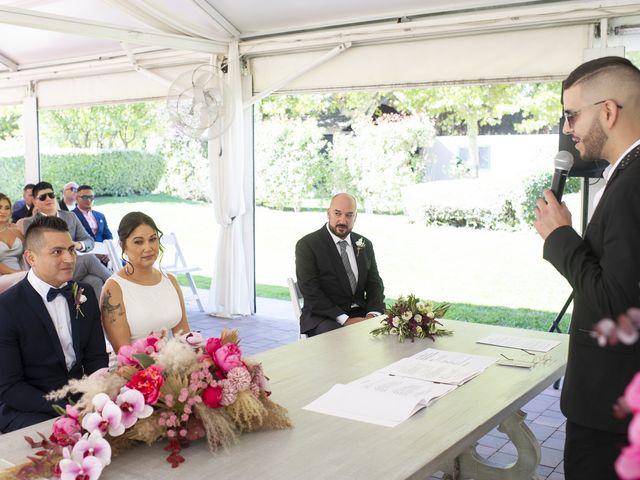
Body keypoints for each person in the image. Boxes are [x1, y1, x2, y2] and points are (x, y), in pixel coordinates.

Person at [533, 56, 640, 479]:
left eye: (571, 115)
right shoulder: (625, 174)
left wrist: (560, 238)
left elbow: (617, 303)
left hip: (609, 408)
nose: (567, 129)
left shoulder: (634, 184)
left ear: (609, 111)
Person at [0, 216, 108, 432]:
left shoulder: (83, 293)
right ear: (31, 257)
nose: (69, 258)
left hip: (79, 399)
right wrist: (67, 409)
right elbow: (9, 387)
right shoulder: (6, 307)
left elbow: (96, 357)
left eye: (71, 249)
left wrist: (99, 394)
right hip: (27, 409)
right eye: (57, 252)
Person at [295, 193, 385, 337]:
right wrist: (345, 320)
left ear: (355, 217)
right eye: (337, 213)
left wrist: (372, 315)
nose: (342, 220)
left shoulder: (364, 244)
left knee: (395, 328)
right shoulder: (307, 245)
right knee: (340, 337)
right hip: (324, 317)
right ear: (328, 213)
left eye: (349, 215)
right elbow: (311, 291)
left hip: (361, 314)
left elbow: (375, 284)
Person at [100, 212, 190, 354]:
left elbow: (185, 337)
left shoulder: (170, 281)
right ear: (123, 245)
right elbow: (124, 354)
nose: (148, 248)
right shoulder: (114, 289)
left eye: (153, 239)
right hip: (134, 370)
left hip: (173, 366)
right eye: (138, 241)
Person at [19, 182, 111, 299]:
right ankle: (120, 283)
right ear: (35, 202)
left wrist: (77, 245)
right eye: (43, 197)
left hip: (74, 265)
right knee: (89, 259)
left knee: (94, 280)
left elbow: (89, 241)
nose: (48, 199)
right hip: (50, 268)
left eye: (51, 195)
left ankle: (98, 316)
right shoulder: (30, 223)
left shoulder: (70, 216)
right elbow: (32, 250)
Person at [0, 193, 28, 292]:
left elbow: (30, 252)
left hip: (22, 275)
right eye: (0, 207)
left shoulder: (16, 231)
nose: (3, 211)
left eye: (7, 208)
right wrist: (19, 273)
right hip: (5, 278)